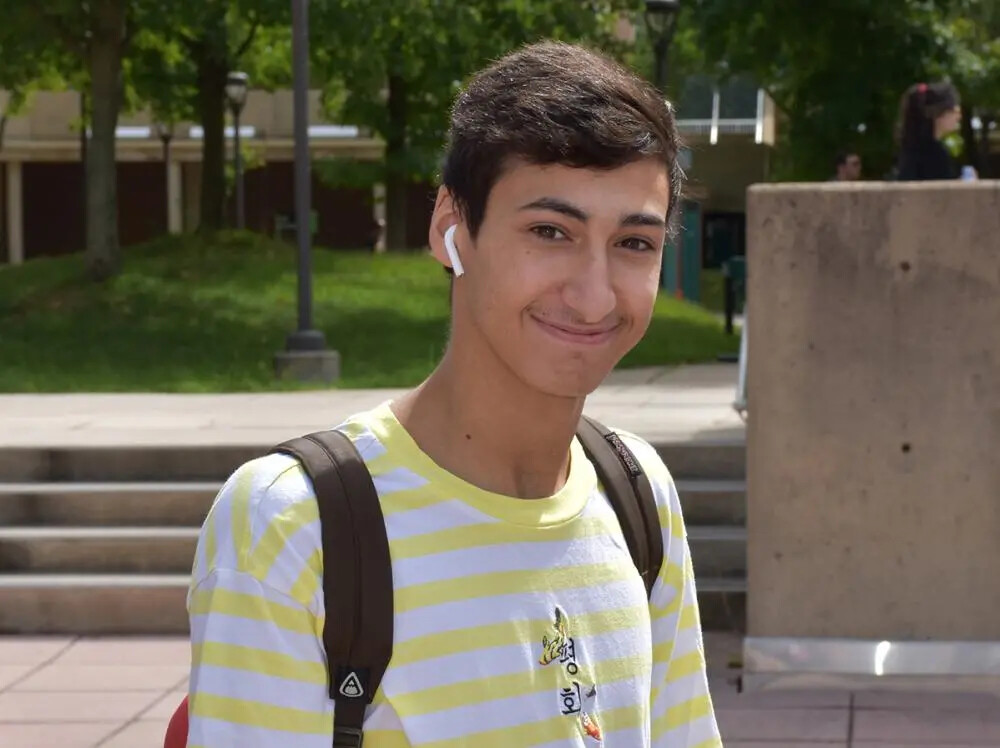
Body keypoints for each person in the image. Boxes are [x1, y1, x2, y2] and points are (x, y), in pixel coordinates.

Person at [185, 41, 720, 747]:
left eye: (634, 244)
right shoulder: (292, 525)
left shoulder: (639, 495)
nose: (594, 297)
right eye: (550, 231)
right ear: (449, 229)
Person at [896, 81, 965, 181]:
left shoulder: (911, 150)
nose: (959, 117)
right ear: (939, 114)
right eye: (954, 111)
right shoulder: (935, 156)